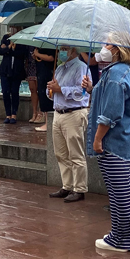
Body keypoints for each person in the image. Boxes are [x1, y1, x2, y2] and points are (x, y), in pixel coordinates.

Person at [84, 38, 130, 252]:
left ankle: (123, 240)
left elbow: (111, 113)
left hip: (115, 143)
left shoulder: (117, 74)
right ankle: (120, 236)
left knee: (120, 194)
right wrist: (92, 89)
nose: (104, 47)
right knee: (126, 192)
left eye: (108, 44)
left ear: (118, 50)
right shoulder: (124, 71)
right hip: (125, 143)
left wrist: (98, 139)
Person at [47, 46, 92, 202]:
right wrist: (51, 90)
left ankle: (79, 189)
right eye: (60, 49)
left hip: (74, 113)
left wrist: (60, 89)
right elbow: (53, 92)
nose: (61, 52)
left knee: (75, 153)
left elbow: (82, 91)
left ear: (74, 51)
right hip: (58, 113)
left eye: (65, 49)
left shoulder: (81, 68)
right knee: (60, 153)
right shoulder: (59, 68)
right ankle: (67, 185)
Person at [0, 30, 27, 124]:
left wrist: (11, 50)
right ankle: (8, 114)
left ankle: (14, 114)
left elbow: (23, 54)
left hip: (16, 71)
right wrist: (9, 47)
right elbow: (1, 51)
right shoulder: (6, 38)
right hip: (5, 70)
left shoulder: (22, 39)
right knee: (5, 92)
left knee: (14, 92)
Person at [33, 47, 56, 132]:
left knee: (48, 98)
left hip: (47, 73)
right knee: (42, 95)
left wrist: (38, 54)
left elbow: (51, 57)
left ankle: (48, 123)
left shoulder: (49, 46)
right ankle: (47, 122)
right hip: (41, 73)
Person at [24, 49, 42, 124]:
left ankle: (41, 112)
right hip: (30, 66)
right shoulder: (28, 45)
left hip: (40, 65)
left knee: (40, 89)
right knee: (32, 89)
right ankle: (34, 112)